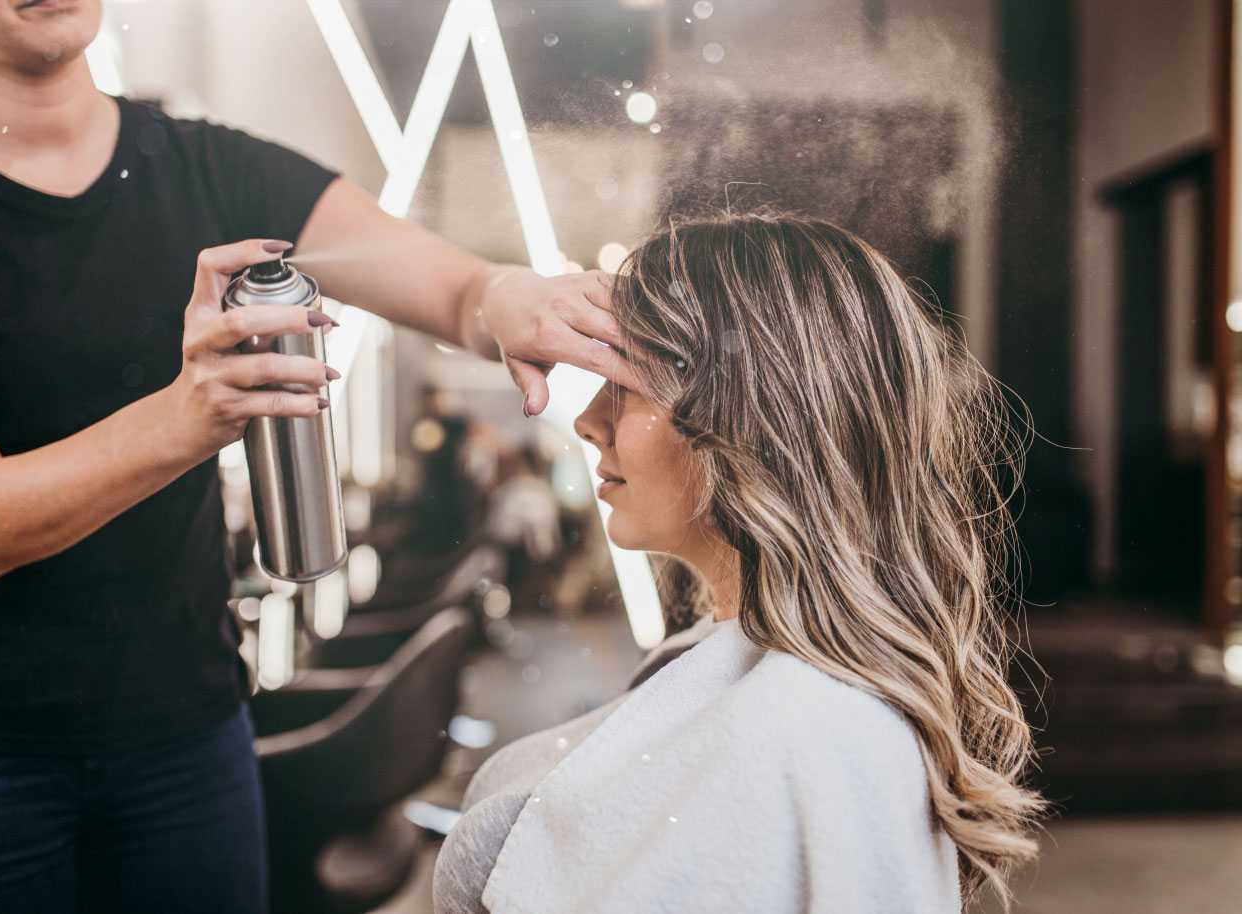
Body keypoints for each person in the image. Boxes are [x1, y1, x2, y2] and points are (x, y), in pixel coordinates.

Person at [0, 1, 634, 911]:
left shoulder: (214, 170)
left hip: (191, 732)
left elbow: (454, 287)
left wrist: (511, 295)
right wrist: (182, 421)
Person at [434, 213, 1047, 913]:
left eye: (625, 384)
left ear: (752, 419)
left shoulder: (818, 733)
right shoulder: (742, 675)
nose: (586, 421)